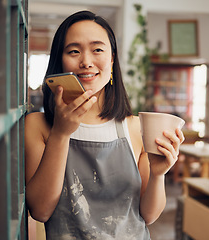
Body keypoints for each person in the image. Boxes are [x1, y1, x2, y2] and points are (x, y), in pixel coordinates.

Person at [25, 10, 184, 239]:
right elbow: (40, 211)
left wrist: (159, 175)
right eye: (73, 51)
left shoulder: (136, 127)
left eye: (97, 49)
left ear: (111, 59)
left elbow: (148, 216)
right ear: (60, 60)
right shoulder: (37, 125)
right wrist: (60, 133)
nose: (86, 62)